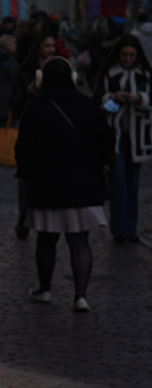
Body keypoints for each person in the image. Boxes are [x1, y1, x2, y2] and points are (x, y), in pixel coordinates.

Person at [17, 57, 114, 312]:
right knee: (80, 242)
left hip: (46, 183)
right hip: (84, 183)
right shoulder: (89, 106)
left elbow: (24, 148)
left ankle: (45, 289)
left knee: (46, 240)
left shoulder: (36, 108)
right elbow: (106, 143)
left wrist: (27, 174)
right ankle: (80, 295)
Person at [95, 35, 152, 242]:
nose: (128, 59)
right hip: (116, 135)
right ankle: (119, 227)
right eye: (124, 55)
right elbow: (98, 100)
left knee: (132, 184)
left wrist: (139, 99)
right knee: (119, 181)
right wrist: (113, 98)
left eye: (131, 56)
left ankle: (130, 228)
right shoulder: (110, 73)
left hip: (138, 136)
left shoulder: (145, 74)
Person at [8, 32, 59, 239]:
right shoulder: (25, 71)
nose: (51, 50)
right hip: (30, 124)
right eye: (47, 46)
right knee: (27, 172)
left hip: (52, 125)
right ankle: (24, 215)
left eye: (53, 46)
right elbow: (15, 101)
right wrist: (29, 92)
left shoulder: (59, 69)